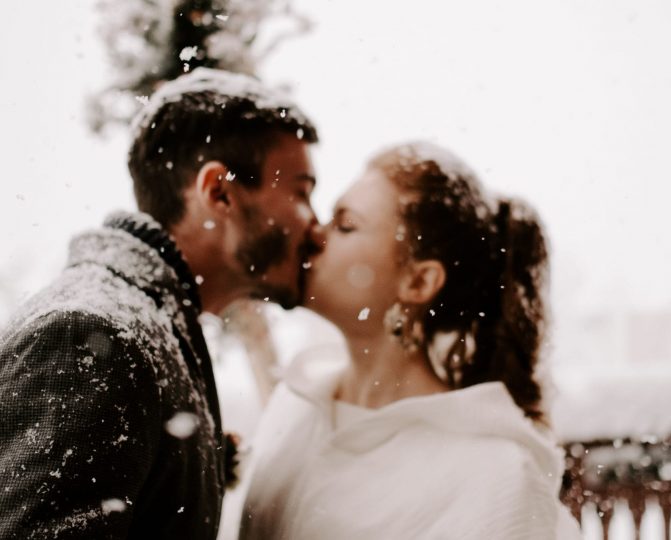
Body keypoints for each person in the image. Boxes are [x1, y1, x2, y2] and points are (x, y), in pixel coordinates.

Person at [0, 68, 322, 538]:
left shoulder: (150, 329)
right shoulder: (88, 334)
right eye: (301, 192)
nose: (315, 224)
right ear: (218, 193)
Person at [239, 142, 581, 539]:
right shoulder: (295, 410)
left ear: (418, 281)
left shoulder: (496, 478)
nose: (314, 232)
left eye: (345, 225)